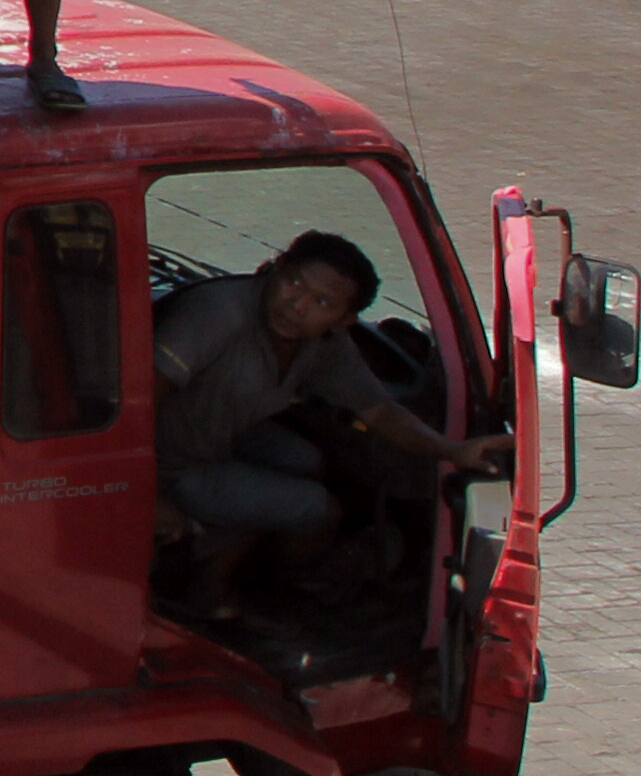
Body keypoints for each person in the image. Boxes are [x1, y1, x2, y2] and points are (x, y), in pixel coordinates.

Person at [153, 234, 509, 617]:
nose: (297, 306)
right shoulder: (218, 314)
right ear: (274, 267)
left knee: (307, 461)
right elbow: (141, 397)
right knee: (320, 510)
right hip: (168, 464)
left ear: (344, 321)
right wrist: (149, 496)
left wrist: (452, 450)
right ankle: (254, 591)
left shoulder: (322, 344)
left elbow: (379, 411)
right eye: (294, 283)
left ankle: (240, 559)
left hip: (218, 436)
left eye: (322, 303)